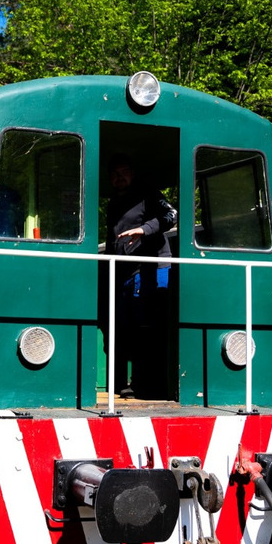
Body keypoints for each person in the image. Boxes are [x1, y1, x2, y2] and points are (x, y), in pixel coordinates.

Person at [103, 155, 177, 398]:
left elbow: (171, 217)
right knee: (124, 326)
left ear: (132, 173)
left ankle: (149, 383)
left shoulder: (148, 195)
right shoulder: (114, 203)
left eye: (123, 171)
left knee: (147, 325)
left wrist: (144, 230)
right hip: (123, 270)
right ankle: (126, 382)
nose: (119, 177)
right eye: (114, 173)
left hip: (152, 268)